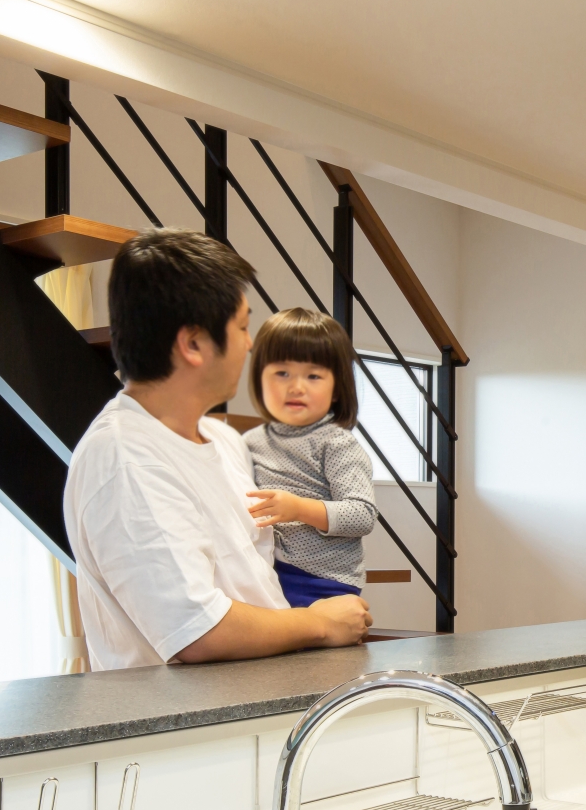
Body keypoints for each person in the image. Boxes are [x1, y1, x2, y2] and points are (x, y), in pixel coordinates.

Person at [62, 230, 370, 668]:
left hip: (263, 692)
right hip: (192, 711)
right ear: (193, 344)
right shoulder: (124, 458)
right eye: (242, 327)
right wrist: (319, 623)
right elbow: (197, 631)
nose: (250, 343)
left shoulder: (223, 438)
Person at [241, 308, 378, 608]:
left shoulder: (336, 443)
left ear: (337, 389)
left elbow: (362, 514)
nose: (296, 387)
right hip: (266, 570)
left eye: (313, 376)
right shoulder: (250, 442)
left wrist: (298, 508)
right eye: (282, 373)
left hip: (323, 580)